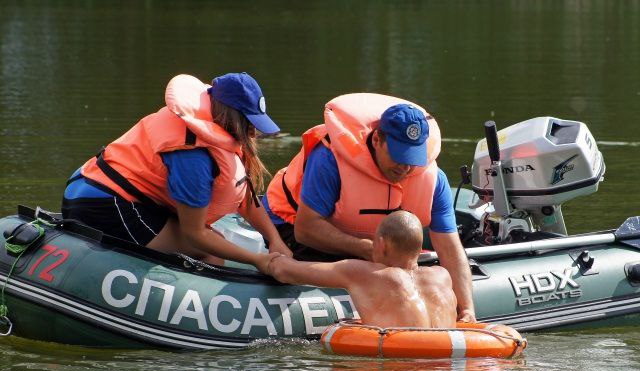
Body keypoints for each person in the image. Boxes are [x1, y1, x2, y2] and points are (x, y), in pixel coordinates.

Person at [263, 93, 476, 322]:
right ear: (377, 141)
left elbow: (450, 247)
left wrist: (467, 310)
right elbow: (305, 230)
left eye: (412, 157)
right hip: (293, 224)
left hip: (376, 244)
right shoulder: (329, 159)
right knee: (358, 272)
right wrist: (364, 249)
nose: (405, 167)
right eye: (398, 155)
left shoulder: (434, 179)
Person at [61, 73, 292, 273]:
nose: (253, 133)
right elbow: (196, 234)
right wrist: (257, 259)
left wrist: (274, 239)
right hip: (102, 203)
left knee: (210, 241)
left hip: (96, 186)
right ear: (232, 118)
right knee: (210, 250)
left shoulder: (216, 133)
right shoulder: (194, 156)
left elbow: (246, 199)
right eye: (250, 123)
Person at [268, 211, 457, 328]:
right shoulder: (442, 276)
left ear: (381, 244)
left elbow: (283, 271)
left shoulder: (364, 274)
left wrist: (274, 254)